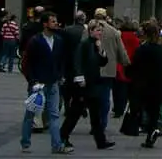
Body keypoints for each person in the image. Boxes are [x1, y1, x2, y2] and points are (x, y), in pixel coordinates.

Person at [20, 11, 70, 154]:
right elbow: (27, 63)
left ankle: (57, 145)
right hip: (37, 84)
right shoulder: (35, 41)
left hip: (53, 82)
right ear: (45, 24)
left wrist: (61, 75)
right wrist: (32, 80)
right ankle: (25, 142)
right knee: (30, 114)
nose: (56, 24)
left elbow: (61, 60)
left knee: (54, 114)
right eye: (53, 21)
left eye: (56, 21)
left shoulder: (59, 41)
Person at [60, 20, 114, 150]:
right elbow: (77, 61)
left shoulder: (96, 45)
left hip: (93, 84)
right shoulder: (84, 44)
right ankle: (62, 136)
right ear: (90, 31)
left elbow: (102, 62)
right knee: (75, 113)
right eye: (97, 30)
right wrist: (80, 78)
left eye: (101, 30)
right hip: (83, 86)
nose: (100, 33)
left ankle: (101, 141)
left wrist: (101, 51)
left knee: (95, 115)